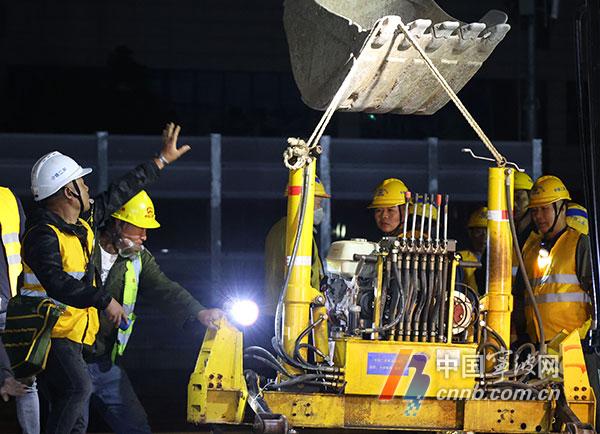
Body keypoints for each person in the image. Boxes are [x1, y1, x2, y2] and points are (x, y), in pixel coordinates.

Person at [21, 122, 190, 434]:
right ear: (69, 191)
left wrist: (161, 160)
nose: (88, 189)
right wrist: (103, 298)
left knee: (78, 419)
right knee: (77, 390)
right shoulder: (42, 234)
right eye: (83, 184)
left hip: (74, 336)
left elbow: (121, 190)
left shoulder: (82, 223)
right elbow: (56, 281)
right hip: (49, 335)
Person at [83, 190, 223, 434]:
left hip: (104, 362)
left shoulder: (138, 259)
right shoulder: (82, 247)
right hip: (71, 358)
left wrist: (199, 312)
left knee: (136, 426)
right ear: (118, 223)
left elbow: (164, 288)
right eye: (139, 228)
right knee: (68, 424)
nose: (144, 237)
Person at [520, 176, 598, 426]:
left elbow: (595, 301)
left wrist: (581, 337)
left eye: (545, 209)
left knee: (581, 418)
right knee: (545, 420)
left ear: (562, 208)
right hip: (540, 351)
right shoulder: (530, 248)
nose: (539, 216)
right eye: (535, 211)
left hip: (575, 352)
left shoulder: (579, 244)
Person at [0, 186, 40, 433]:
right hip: (10, 302)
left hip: (11, 304)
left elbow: (24, 246)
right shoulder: (7, 197)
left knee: (26, 381)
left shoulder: (7, 197)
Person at [264, 176, 331, 317]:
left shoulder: (278, 228)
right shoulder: (299, 234)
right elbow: (305, 276)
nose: (320, 209)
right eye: (318, 204)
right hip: (295, 311)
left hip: (274, 308)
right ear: (303, 202)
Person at [458, 206, 487, 295]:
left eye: (488, 232)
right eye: (479, 231)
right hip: (470, 306)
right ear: (471, 233)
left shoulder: (509, 257)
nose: (484, 236)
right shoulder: (461, 258)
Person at [513, 171, 534, 248]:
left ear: (531, 199)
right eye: (509, 199)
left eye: (518, 198)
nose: (514, 204)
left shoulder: (539, 232)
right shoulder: (502, 231)